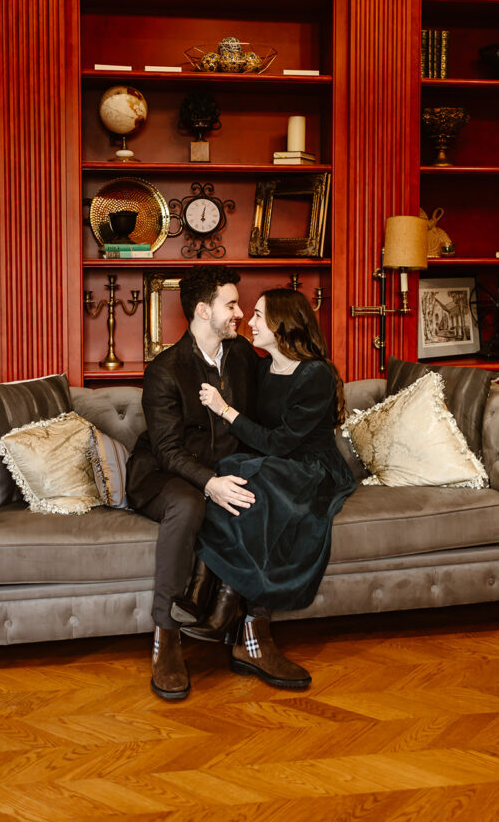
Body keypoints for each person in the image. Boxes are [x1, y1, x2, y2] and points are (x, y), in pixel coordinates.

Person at [183, 287, 356, 691]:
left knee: (256, 487)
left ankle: (224, 609)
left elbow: (281, 443)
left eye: (259, 315)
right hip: (279, 464)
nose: (249, 320)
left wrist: (224, 409)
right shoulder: (262, 367)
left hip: (313, 469)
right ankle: (219, 608)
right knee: (228, 474)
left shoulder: (315, 373)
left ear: (283, 323)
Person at [126, 265, 258, 701]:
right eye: (232, 304)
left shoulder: (240, 357)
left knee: (257, 495)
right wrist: (211, 484)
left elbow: (258, 417)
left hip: (222, 467)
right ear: (203, 310)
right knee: (190, 505)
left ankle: (243, 629)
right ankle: (166, 637)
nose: (240, 312)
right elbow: (168, 450)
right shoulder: (165, 369)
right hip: (164, 475)